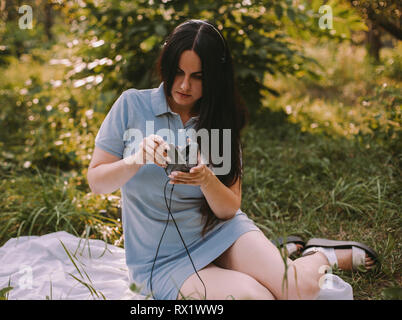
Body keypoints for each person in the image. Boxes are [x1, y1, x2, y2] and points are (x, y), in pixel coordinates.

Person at [87, 19, 377, 300]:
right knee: (256, 297)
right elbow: (97, 182)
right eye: (178, 72)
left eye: (198, 77)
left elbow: (228, 209)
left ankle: (318, 256)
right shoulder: (132, 105)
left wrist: (205, 179)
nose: (184, 85)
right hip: (163, 262)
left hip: (221, 233)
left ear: (214, 78)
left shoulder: (218, 121)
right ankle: (276, 260)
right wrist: (135, 160)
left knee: (297, 290)